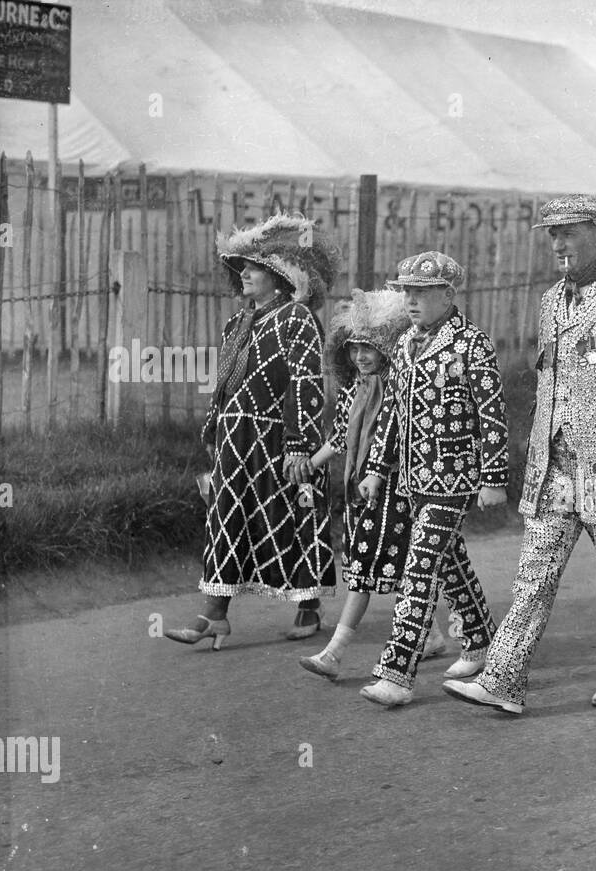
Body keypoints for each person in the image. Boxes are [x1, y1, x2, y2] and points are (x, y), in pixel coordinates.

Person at [442, 195, 596, 716]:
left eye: (569, 232)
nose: (559, 244)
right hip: (554, 466)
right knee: (534, 573)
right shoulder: (550, 300)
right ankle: (502, 680)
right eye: (552, 234)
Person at [165, 212, 341, 650]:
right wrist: (213, 428)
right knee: (226, 517)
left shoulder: (296, 319)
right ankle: (214, 615)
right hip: (234, 439)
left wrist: (300, 443)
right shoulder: (237, 324)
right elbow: (223, 383)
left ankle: (309, 605)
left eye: (254, 267)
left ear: (281, 278)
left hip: (278, 438)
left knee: (290, 516)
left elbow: (305, 382)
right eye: (240, 267)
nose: (243, 273)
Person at [357, 251, 510, 707]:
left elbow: (492, 415)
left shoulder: (471, 345)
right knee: (448, 562)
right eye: (406, 291)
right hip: (411, 479)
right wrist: (376, 469)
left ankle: (397, 673)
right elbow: (392, 414)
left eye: (422, 292)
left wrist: (494, 478)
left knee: (419, 568)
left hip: (455, 478)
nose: (411, 300)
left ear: (448, 294)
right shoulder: (403, 346)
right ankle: (482, 638)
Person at [297, 288, 450, 678]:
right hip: (359, 490)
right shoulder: (355, 388)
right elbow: (340, 438)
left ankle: (334, 653)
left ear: (386, 350)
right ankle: (430, 635)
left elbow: (399, 437)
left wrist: (378, 472)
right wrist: (310, 463)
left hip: (392, 489)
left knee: (366, 570)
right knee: (397, 568)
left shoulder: (397, 386)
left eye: (369, 348)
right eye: (354, 348)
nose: (361, 356)